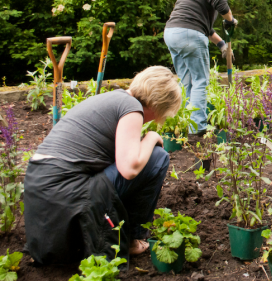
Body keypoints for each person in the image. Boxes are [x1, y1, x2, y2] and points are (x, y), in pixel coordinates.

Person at [24, 66, 182, 265]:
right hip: (66, 193)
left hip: (42, 194)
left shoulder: (111, 99)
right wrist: (150, 137)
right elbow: (129, 168)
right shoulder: (132, 108)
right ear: (157, 103)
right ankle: (134, 238)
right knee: (157, 157)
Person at [164, 0, 237, 136]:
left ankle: (187, 125)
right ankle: (198, 128)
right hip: (189, 34)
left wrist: (222, 45)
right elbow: (221, 2)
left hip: (172, 33)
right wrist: (230, 20)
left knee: (187, 82)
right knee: (200, 81)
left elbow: (207, 29)